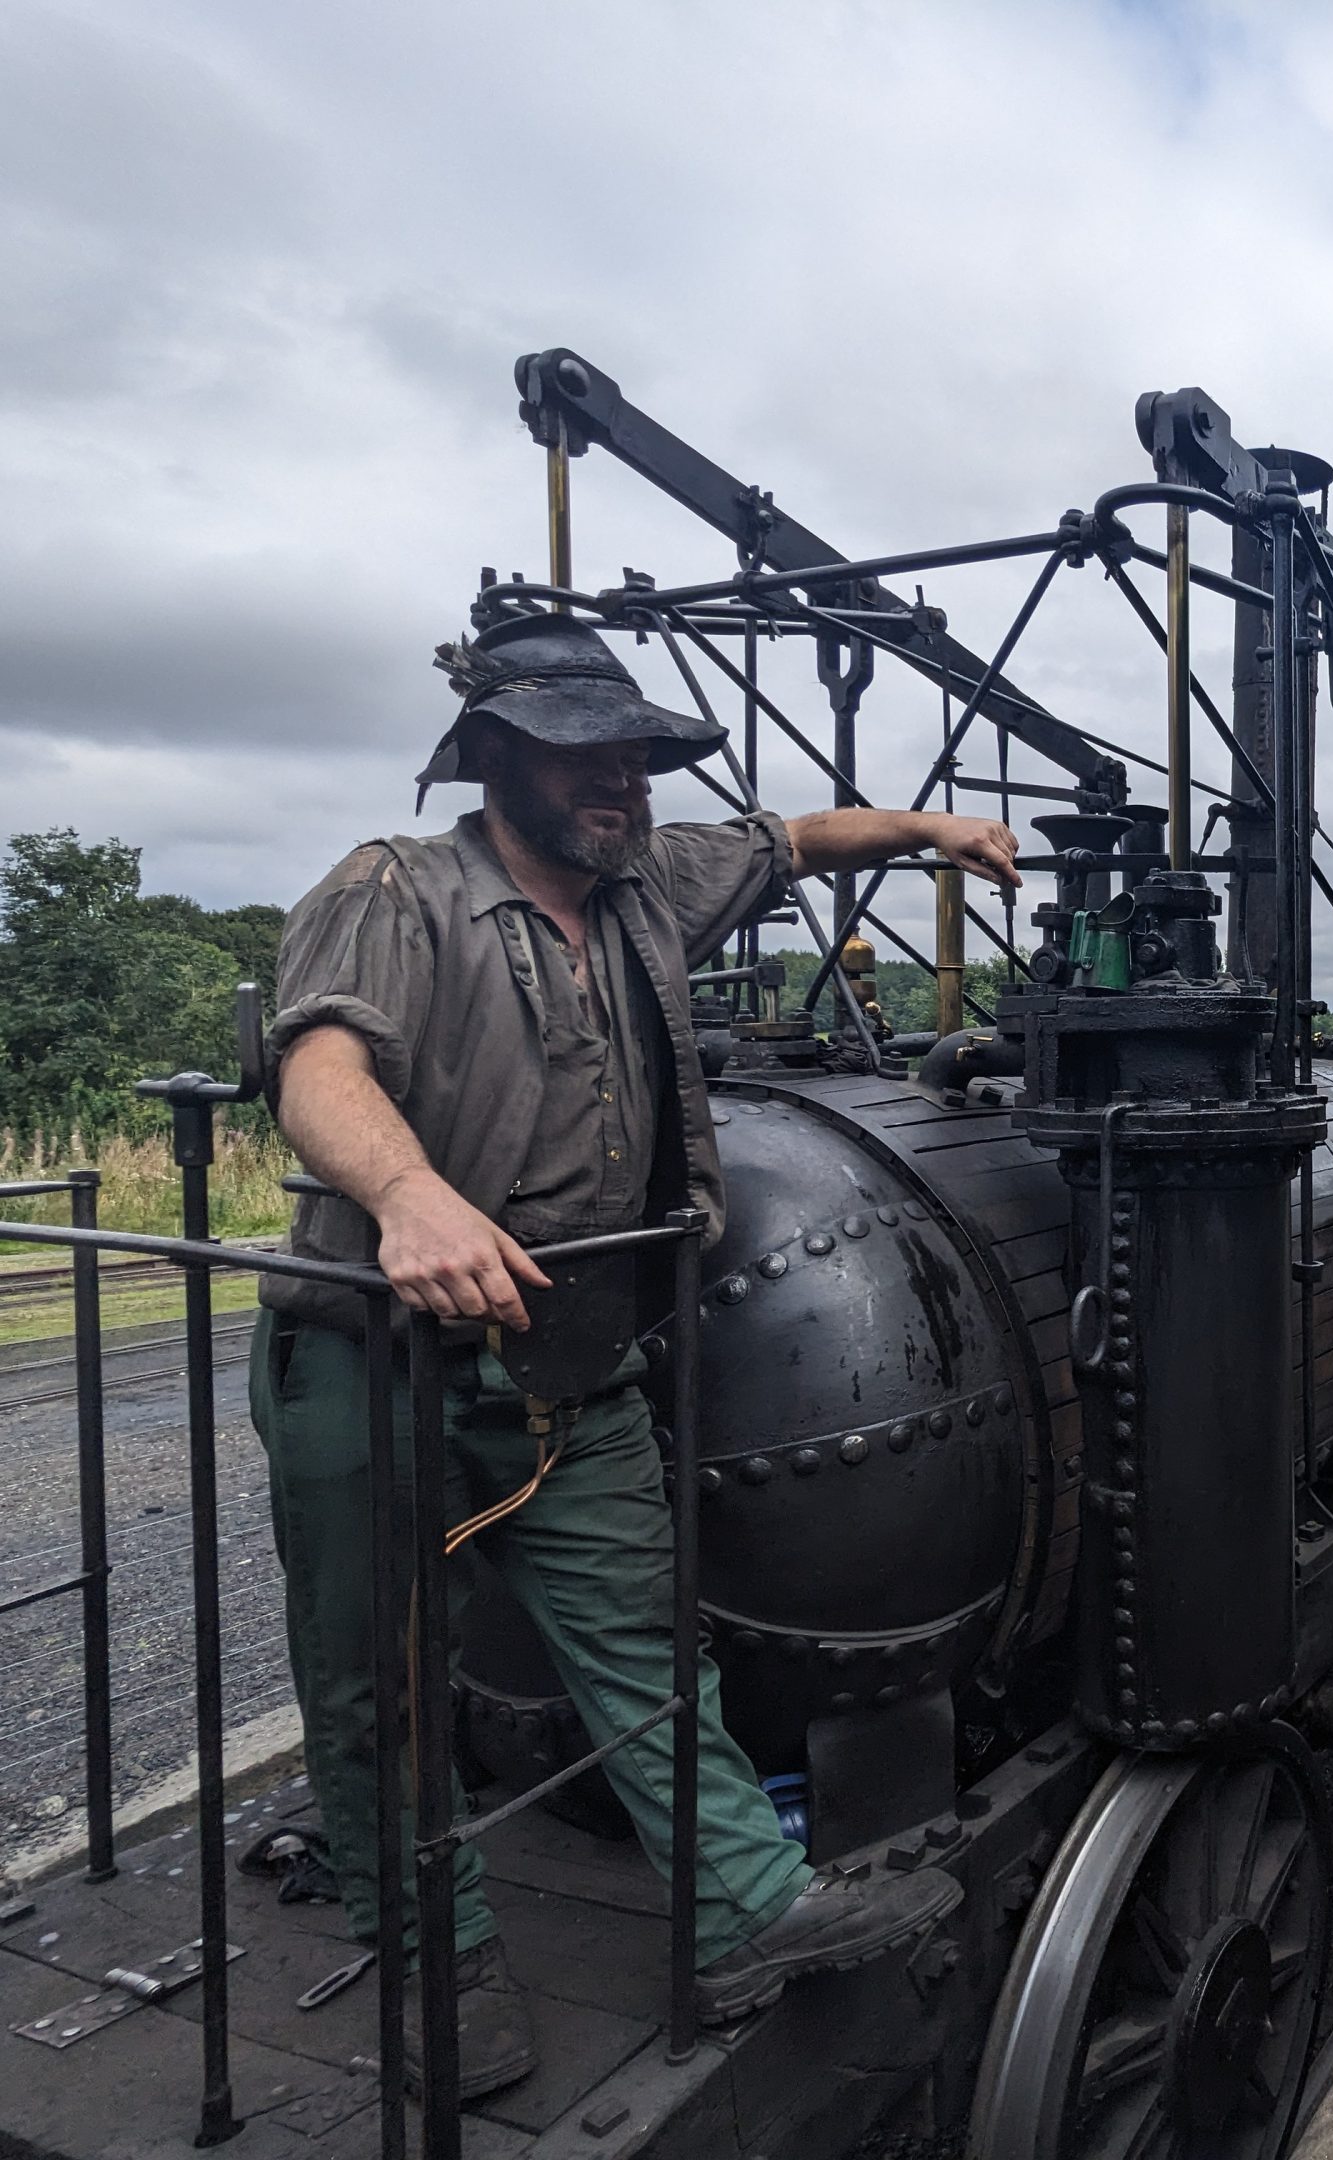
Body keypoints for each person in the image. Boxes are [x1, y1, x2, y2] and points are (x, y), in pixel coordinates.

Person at [248, 609, 1021, 2103]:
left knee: (649, 1653)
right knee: (375, 1687)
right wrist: (409, 1197)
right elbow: (319, 1064)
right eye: (586, 757)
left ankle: (745, 1912)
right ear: (496, 760)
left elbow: (793, 839)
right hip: (374, 1359)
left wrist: (932, 829)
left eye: (636, 757)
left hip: (571, 1358)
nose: (621, 782)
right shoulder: (394, 889)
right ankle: (437, 1972)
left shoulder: (647, 880)